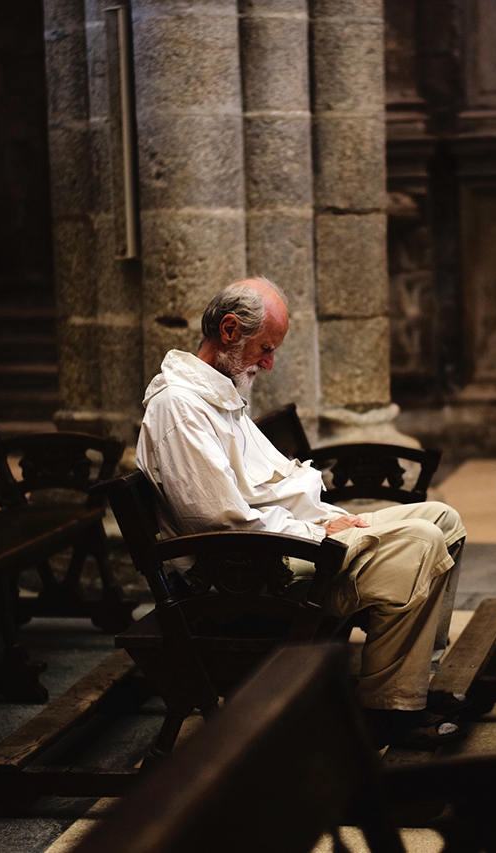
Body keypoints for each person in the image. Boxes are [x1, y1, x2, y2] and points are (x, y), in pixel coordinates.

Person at [135, 277, 467, 748]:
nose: (269, 362)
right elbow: (222, 524)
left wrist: (325, 519)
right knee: (422, 543)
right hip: (251, 576)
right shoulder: (180, 408)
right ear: (229, 330)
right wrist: (319, 533)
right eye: (266, 348)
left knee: (442, 520)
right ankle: (390, 710)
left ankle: (412, 683)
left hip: (284, 544)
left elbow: (269, 488)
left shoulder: (218, 393)